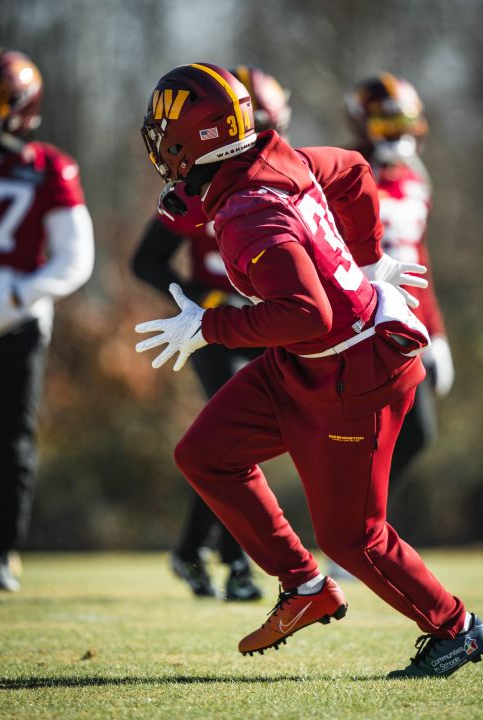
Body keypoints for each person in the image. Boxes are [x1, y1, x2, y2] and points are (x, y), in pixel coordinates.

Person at [135, 63, 483, 678]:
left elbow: (304, 312)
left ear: (198, 141)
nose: (160, 147)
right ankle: (303, 586)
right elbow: (353, 172)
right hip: (308, 361)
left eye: (168, 136)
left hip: (357, 376)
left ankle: (456, 627)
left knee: (353, 537)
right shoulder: (278, 162)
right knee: (206, 453)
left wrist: (209, 327)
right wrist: (367, 260)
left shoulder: (249, 214)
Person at [131, 66, 292, 603]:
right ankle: (235, 561)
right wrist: (195, 304)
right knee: (228, 439)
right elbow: (147, 260)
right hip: (219, 326)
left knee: (233, 444)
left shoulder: (283, 174)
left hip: (269, 323)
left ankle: (192, 549)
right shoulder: (199, 183)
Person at [0, 49, 94, 591]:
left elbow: (75, 256)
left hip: (16, 324)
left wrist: (18, 293)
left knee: (12, 442)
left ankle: (0, 551)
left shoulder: (48, 165)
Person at [346, 73, 454, 488]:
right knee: (380, 436)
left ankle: (357, 529)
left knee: (411, 436)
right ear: (361, 123)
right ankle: (353, 532)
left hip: (407, 324)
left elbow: (418, 259)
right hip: (365, 324)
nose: (400, 134)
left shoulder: (417, 178)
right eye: (388, 123)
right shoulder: (349, 172)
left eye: (405, 122)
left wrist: (437, 333)